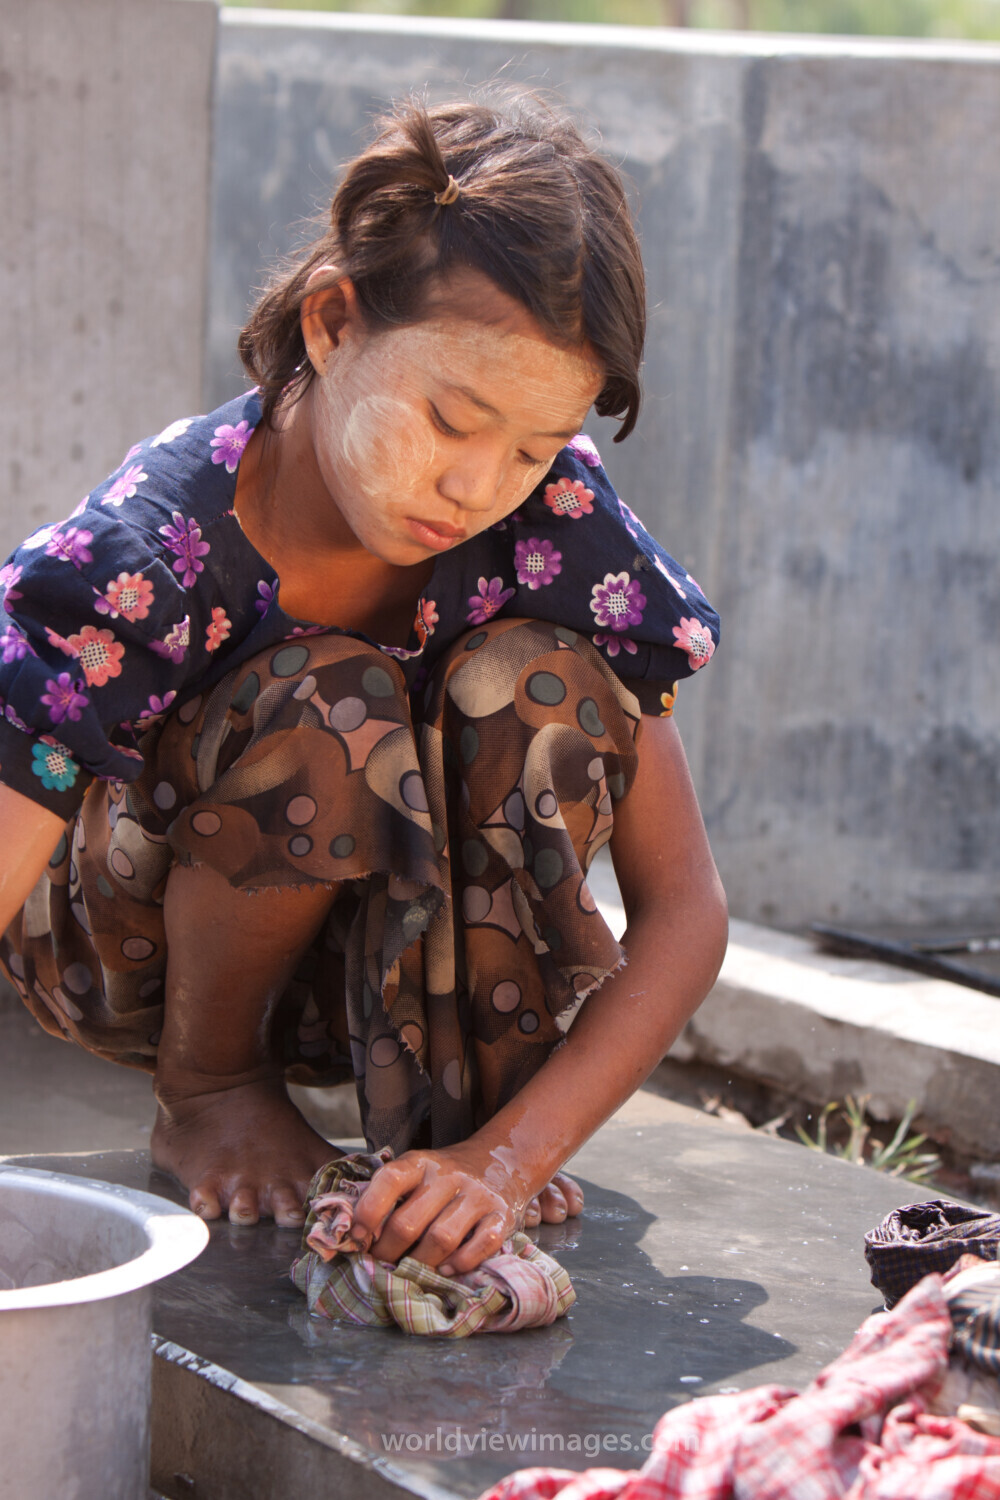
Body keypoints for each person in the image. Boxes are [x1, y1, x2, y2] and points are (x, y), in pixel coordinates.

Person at [0, 93, 727, 1277]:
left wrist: (510, 1157)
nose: (480, 482)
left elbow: (687, 913)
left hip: (385, 982)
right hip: (127, 944)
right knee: (334, 699)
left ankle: (449, 1138)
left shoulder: (556, 533)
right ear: (333, 321)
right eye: (450, 420)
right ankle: (214, 1085)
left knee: (536, 682)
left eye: (535, 446)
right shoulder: (149, 550)